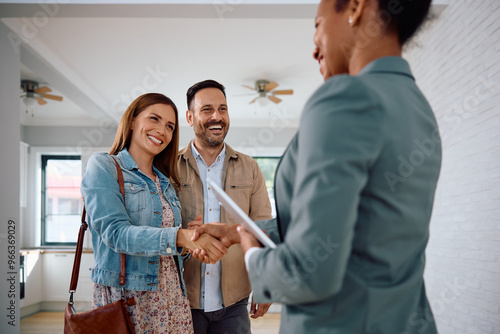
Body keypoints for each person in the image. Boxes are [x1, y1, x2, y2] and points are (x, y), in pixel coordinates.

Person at [197, 0, 442, 332]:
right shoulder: (418, 107)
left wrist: (255, 260)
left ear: (356, 7)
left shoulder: (343, 98)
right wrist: (236, 233)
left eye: (317, 25)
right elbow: (355, 227)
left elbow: (308, 272)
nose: (314, 49)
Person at [81, 93, 228, 334]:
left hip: (173, 300)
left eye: (170, 126)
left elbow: (169, 254)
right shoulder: (104, 166)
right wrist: (179, 237)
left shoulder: (165, 182)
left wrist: (190, 242)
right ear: (132, 121)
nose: (162, 130)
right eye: (154, 119)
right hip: (130, 300)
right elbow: (116, 234)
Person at [176, 79, 273, 334]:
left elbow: (263, 228)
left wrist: (265, 283)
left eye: (223, 108)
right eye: (206, 109)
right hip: (182, 301)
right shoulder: (169, 167)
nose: (216, 116)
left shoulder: (250, 167)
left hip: (234, 303)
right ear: (190, 116)